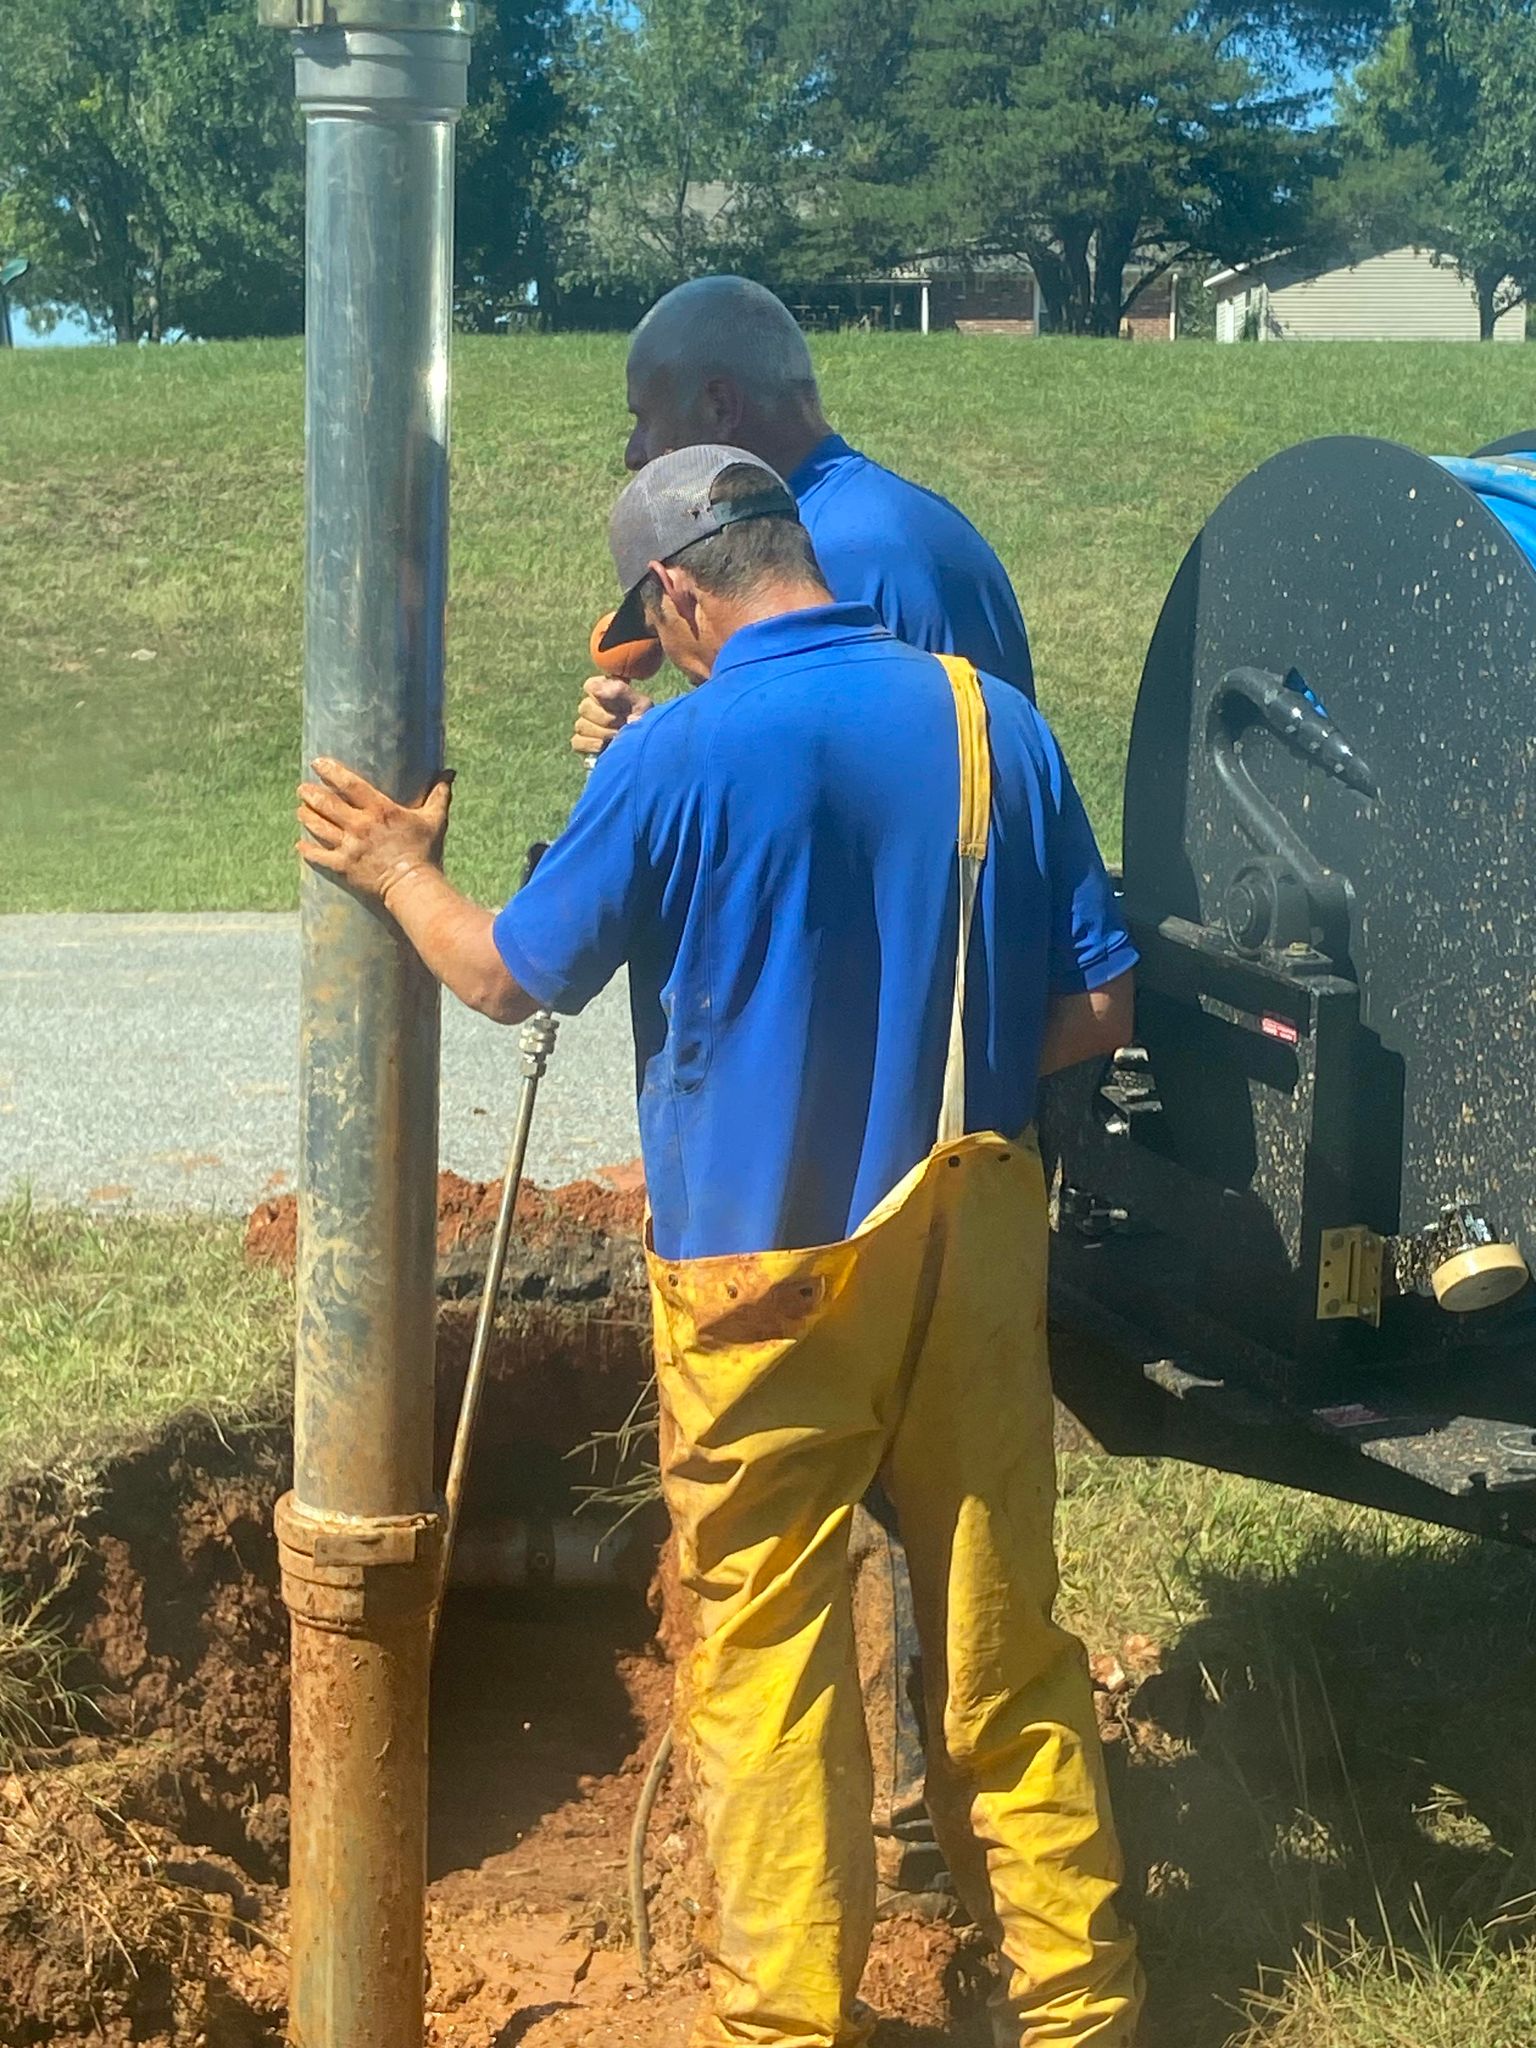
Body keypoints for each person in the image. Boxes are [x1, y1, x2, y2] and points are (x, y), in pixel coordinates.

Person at [296, 445, 1143, 2048]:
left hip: (762, 1287)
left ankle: (783, 2030)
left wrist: (400, 865)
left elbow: (503, 977)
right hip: (969, 1254)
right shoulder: (989, 724)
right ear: (793, 549)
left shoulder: (676, 760)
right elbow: (1099, 1003)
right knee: (1007, 1653)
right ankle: (1088, 2015)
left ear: (678, 595)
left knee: (766, 1667)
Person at [575, 275, 1036, 1908]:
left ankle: (909, 1838)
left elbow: (888, 837)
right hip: (904, 1140)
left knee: (904, 1512)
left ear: (716, 409)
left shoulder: (878, 554)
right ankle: (931, 1837)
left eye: (643, 414)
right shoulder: (834, 534)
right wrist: (639, 747)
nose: (631, 440)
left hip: (876, 1148)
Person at [573, 274, 1033, 765]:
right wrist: (658, 742)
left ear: (720, 407)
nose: (633, 453)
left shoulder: (821, 557)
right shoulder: (903, 518)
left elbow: (825, 799)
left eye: (645, 419)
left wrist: (655, 762)